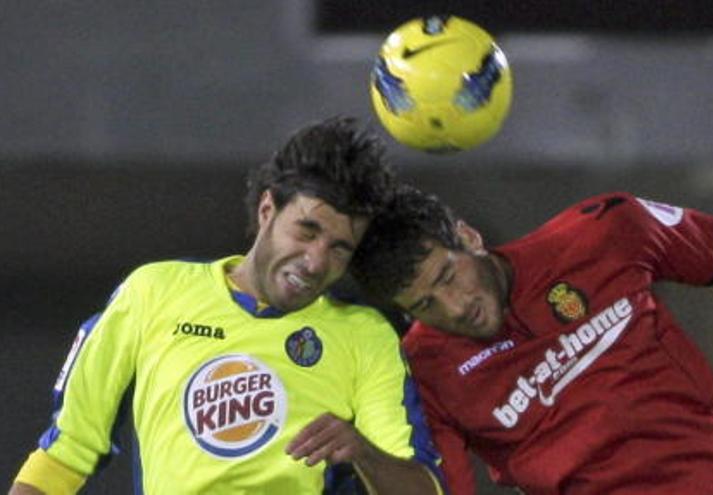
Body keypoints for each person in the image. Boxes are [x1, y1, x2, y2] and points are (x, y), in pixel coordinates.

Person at [9, 117, 445, 495]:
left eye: (339, 248)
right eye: (307, 231)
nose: (316, 262)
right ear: (267, 209)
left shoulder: (362, 335)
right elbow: (68, 451)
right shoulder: (153, 293)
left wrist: (363, 453)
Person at [350, 184, 713, 495]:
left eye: (447, 277)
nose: (455, 308)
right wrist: (360, 453)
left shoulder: (601, 232)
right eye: (424, 306)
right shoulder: (423, 368)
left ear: (467, 237)